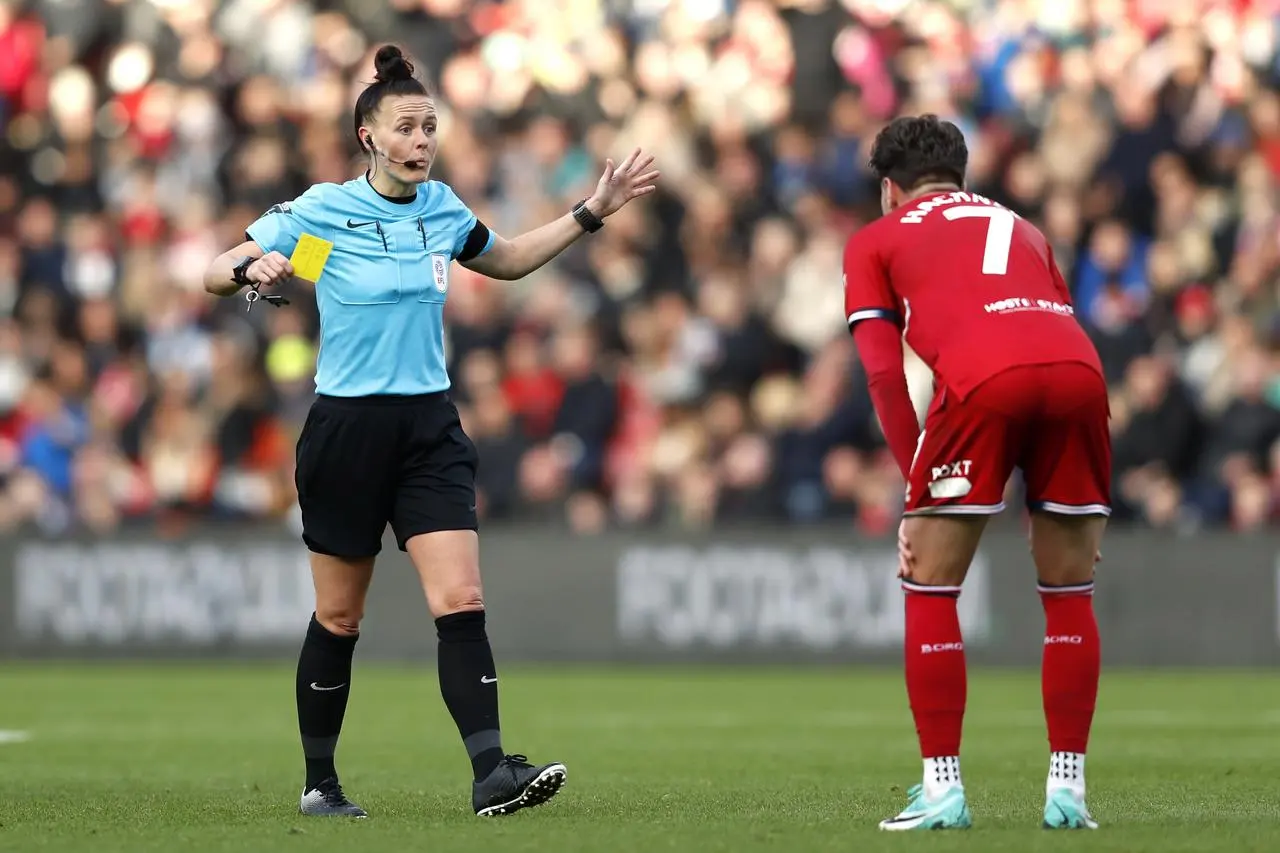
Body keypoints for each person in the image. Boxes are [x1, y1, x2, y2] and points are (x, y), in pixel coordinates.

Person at [201, 44, 659, 819]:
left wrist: (590, 213)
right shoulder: (323, 212)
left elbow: (507, 260)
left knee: (463, 596)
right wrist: (254, 270)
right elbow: (217, 267)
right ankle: (321, 783)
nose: (422, 140)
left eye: (430, 127)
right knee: (341, 615)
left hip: (429, 426)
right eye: (407, 127)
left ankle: (491, 774)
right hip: (346, 428)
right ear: (369, 137)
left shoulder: (443, 209)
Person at [842, 115, 1108, 831]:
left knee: (930, 582)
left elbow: (881, 373)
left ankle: (943, 787)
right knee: (1069, 586)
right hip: (1078, 371)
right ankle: (1068, 789)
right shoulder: (1023, 227)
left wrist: (912, 490)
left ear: (890, 190)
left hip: (986, 378)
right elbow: (1048, 323)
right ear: (959, 176)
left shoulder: (876, 237)